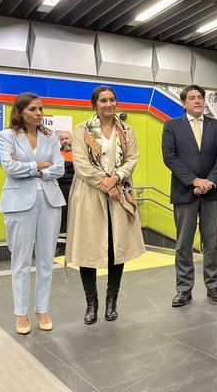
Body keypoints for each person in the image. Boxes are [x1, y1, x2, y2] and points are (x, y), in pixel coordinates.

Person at [66, 86, 145, 324]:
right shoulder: (81, 130)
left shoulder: (127, 130)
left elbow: (132, 158)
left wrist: (116, 178)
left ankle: (112, 301)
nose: (109, 104)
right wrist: (105, 183)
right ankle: (92, 303)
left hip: (119, 192)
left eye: (112, 100)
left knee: (115, 248)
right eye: (103, 100)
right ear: (95, 104)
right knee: (88, 250)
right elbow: (80, 163)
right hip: (90, 194)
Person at [0, 93, 65, 334]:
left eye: (41, 109)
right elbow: (10, 167)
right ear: (20, 111)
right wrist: (39, 165)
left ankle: (42, 310)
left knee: (47, 259)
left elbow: (58, 168)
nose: (39, 113)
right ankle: (21, 313)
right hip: (18, 202)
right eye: (33, 109)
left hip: (50, 200)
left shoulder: (51, 137)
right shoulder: (6, 136)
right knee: (21, 261)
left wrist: (37, 169)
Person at [162, 84, 217, 307]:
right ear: (184, 103)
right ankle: (183, 289)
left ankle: (213, 286)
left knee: (211, 242)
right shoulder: (172, 126)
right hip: (185, 191)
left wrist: (210, 181)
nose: (197, 101)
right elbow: (170, 158)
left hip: (212, 191)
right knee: (183, 243)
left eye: (200, 97)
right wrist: (194, 181)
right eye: (192, 98)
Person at [56, 131, 74, 256]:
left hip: (76, 188)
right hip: (61, 189)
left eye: (67, 138)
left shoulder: (79, 153)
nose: (65, 141)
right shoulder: (57, 154)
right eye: (62, 139)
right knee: (62, 217)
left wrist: (64, 174)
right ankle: (61, 247)